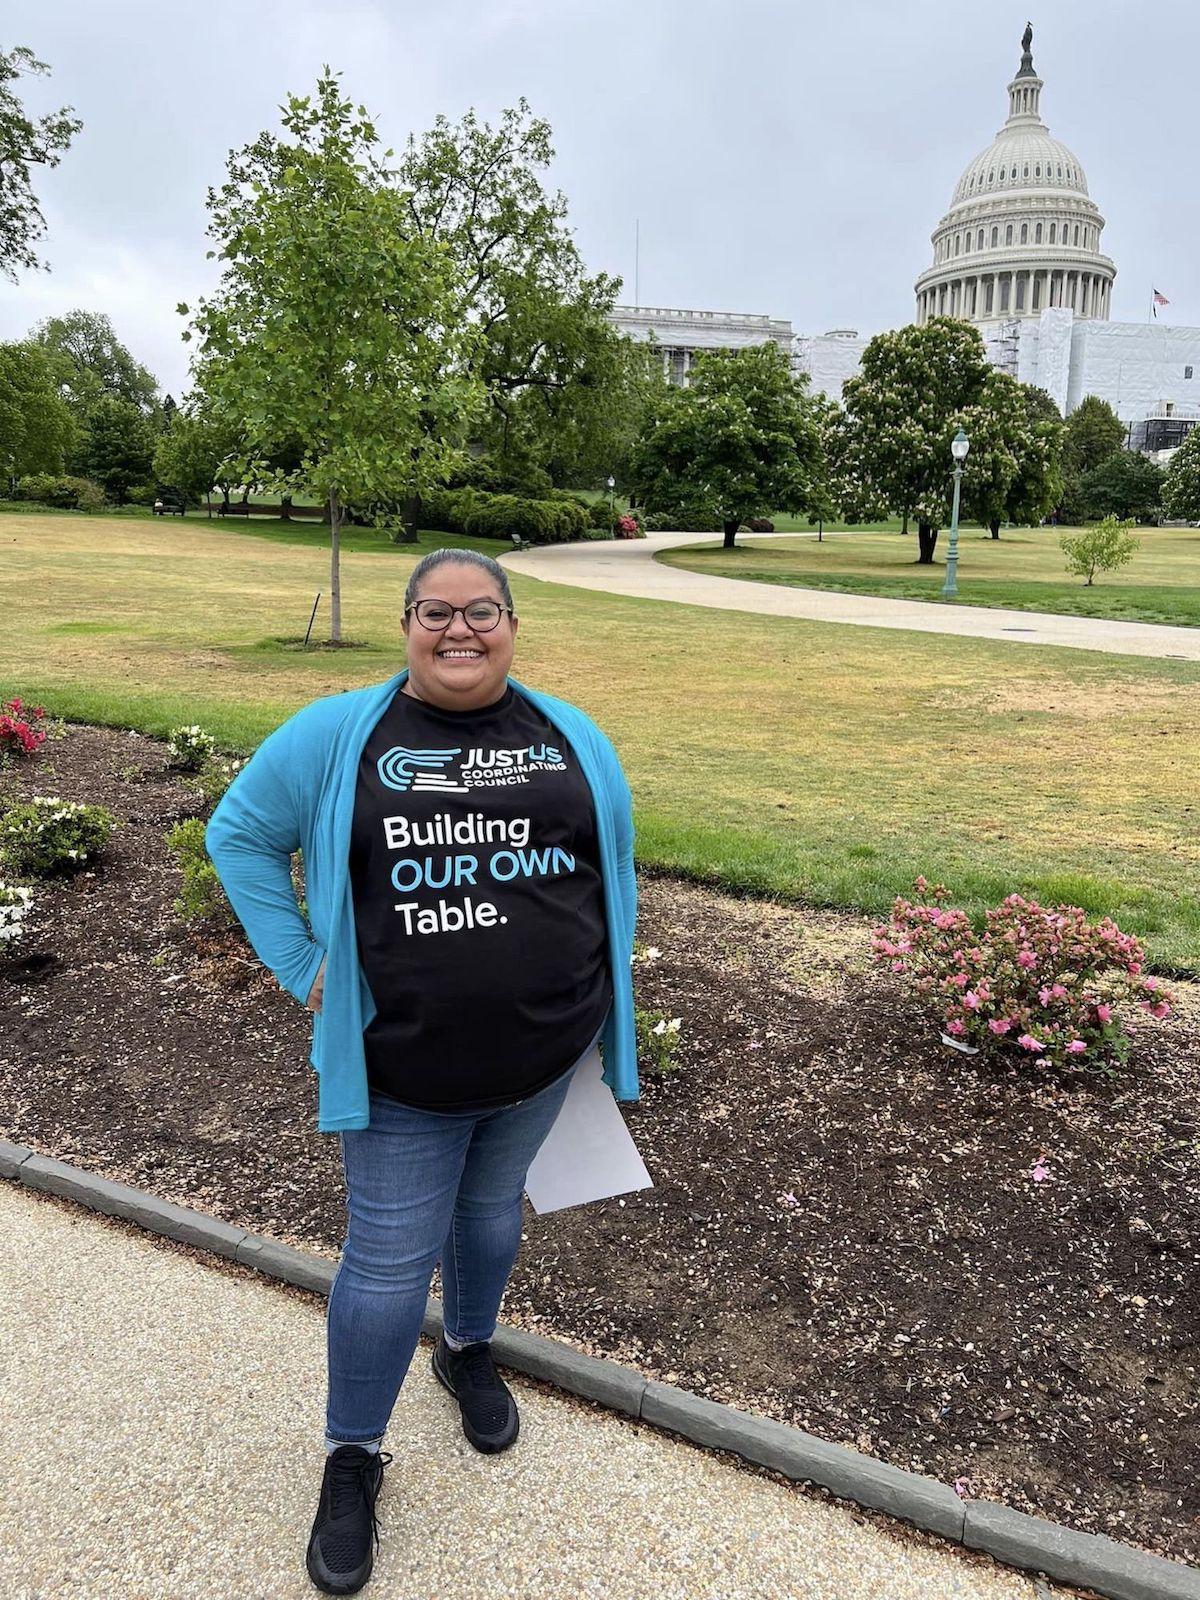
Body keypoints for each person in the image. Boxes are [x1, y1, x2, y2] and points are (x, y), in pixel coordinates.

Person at [204, 548, 640, 1595]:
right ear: (405, 625)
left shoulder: (570, 734)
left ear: (512, 624)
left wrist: (593, 980)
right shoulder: (336, 733)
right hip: (401, 1075)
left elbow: (609, 859)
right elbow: (240, 834)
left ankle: (469, 1350)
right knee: (388, 1268)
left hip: (542, 1061)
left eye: (481, 611)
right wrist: (304, 966)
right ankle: (353, 1454)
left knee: (492, 1217)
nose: (460, 630)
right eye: (435, 612)